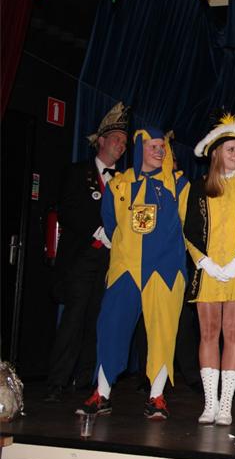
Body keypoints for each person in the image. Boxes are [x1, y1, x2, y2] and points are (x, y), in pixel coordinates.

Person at [76, 128, 190, 420]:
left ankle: (157, 396)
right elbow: (111, 224)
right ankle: (102, 393)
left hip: (165, 270)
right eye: (153, 146)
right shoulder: (119, 185)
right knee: (110, 327)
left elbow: (187, 225)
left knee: (163, 331)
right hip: (125, 268)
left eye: (162, 147)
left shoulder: (178, 184)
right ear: (140, 148)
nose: (159, 151)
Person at [44, 102, 129, 403]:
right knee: (74, 318)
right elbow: (67, 209)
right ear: (101, 141)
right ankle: (57, 381)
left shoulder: (124, 181)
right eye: (116, 139)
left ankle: (85, 379)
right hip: (82, 257)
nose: (121, 145)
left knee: (98, 318)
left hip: (109, 259)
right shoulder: (77, 171)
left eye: (124, 142)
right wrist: (97, 231)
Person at [183, 113, 235, 425]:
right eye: (230, 149)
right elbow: (190, 229)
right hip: (207, 270)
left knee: (233, 333)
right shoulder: (199, 187)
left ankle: (226, 405)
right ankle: (210, 403)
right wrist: (203, 262)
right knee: (207, 333)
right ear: (216, 153)